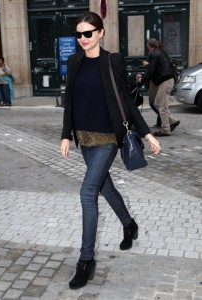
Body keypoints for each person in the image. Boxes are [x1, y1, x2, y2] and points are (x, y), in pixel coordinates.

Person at [60, 12, 161, 290]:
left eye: (88, 33)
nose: (83, 39)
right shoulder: (74, 61)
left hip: (107, 138)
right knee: (105, 188)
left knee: (87, 191)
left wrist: (147, 133)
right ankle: (129, 224)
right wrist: (65, 135)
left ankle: (86, 260)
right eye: (79, 34)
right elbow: (69, 101)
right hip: (84, 138)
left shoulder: (111, 61)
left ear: (101, 33)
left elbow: (127, 103)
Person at [137, 38, 180, 136]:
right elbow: (155, 69)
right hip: (166, 81)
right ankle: (173, 120)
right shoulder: (161, 51)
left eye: (148, 47)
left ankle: (165, 129)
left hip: (165, 81)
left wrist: (142, 79)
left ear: (149, 47)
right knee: (157, 103)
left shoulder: (154, 54)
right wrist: (144, 76)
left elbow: (151, 71)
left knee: (162, 106)